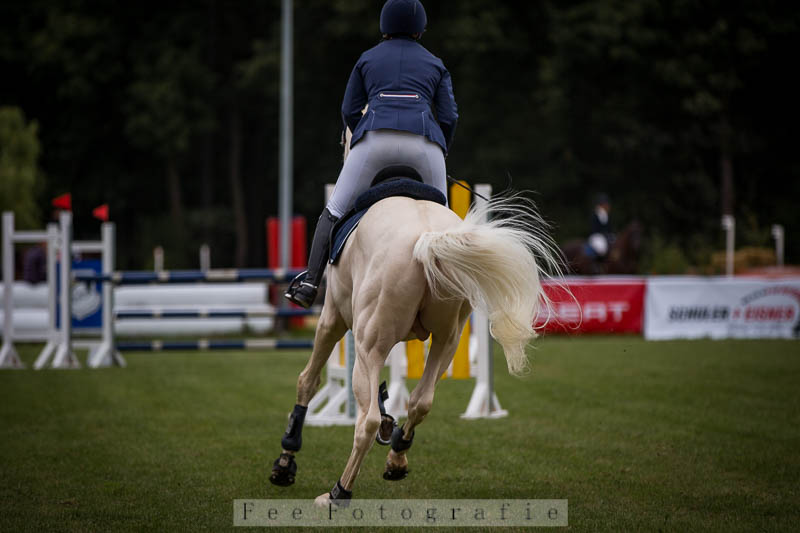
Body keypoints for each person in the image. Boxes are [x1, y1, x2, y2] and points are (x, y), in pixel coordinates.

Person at [286, 0, 458, 308]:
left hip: (375, 140)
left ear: (384, 26)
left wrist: (362, 137)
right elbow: (448, 116)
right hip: (424, 144)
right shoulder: (436, 63)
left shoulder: (367, 58)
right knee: (444, 221)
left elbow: (349, 109)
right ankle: (456, 292)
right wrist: (439, 148)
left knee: (334, 210)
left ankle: (310, 284)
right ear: (420, 29)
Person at [588, 193, 613, 260]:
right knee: (602, 248)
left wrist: (610, 235)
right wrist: (604, 235)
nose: (608, 206)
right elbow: (594, 229)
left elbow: (609, 229)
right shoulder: (595, 215)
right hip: (596, 237)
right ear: (602, 205)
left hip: (606, 236)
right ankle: (598, 263)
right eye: (606, 204)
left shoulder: (606, 215)